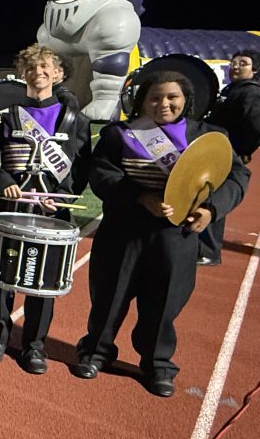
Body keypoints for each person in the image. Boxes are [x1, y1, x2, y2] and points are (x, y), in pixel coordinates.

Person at [73, 70, 249, 397]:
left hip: (175, 235)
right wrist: (141, 197)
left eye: (172, 98)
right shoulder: (120, 134)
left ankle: (157, 364)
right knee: (109, 297)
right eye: (154, 97)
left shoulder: (209, 137)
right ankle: (95, 351)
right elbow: (101, 174)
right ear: (142, 100)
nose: (163, 104)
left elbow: (236, 178)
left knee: (164, 303)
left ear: (186, 101)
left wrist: (211, 209)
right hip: (123, 231)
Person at [0, 44, 92, 373]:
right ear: (23, 73)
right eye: (31, 67)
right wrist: (3, 180)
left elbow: (81, 169)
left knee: (44, 280)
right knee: (2, 275)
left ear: (58, 74)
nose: (37, 73)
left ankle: (34, 345)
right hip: (11, 205)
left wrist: (63, 194)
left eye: (45, 68)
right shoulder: (8, 116)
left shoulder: (75, 120)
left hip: (51, 212)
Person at [198, 49, 260, 265]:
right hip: (216, 152)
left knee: (211, 198)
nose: (236, 66)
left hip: (224, 155)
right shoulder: (233, 89)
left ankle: (208, 251)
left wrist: (240, 150)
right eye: (233, 62)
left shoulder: (250, 93)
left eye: (243, 63)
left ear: (255, 70)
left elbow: (256, 126)